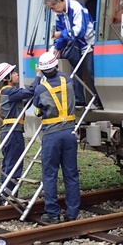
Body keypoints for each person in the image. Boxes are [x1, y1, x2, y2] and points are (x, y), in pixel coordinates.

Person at [32, 52, 80, 224]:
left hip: (51, 134)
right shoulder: (68, 81)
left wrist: (38, 78)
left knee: (50, 174)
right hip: (69, 133)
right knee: (71, 173)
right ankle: (72, 212)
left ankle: (52, 213)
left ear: (43, 71)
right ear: (57, 66)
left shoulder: (40, 88)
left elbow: (37, 107)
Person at [0, 62, 42, 205]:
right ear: (8, 77)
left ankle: (2, 196)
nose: (16, 74)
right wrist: (38, 75)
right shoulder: (9, 91)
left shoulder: (9, 93)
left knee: (8, 164)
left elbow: (27, 98)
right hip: (13, 133)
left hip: (8, 132)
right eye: (14, 73)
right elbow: (29, 92)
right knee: (14, 165)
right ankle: (9, 197)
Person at [44, 0, 102, 108]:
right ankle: (79, 99)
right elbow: (62, 32)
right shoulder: (59, 13)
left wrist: (60, 34)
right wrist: (57, 47)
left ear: (60, 1)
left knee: (91, 72)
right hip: (74, 45)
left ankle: (100, 100)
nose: (53, 10)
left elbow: (79, 31)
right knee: (74, 72)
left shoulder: (77, 7)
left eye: (53, 7)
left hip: (87, 44)